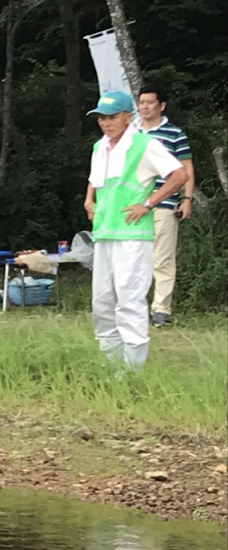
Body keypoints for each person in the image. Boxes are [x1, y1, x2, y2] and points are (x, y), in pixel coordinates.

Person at [83, 90, 186, 368]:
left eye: (112, 117)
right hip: (104, 232)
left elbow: (179, 174)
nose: (106, 123)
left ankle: (133, 369)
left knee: (129, 300)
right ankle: (111, 365)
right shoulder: (99, 147)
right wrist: (89, 200)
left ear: (128, 117)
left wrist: (149, 203)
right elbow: (96, 179)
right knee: (102, 303)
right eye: (101, 117)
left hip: (132, 234)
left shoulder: (144, 145)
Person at [135, 86, 195, 327]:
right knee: (136, 258)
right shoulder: (131, 133)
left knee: (162, 258)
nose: (145, 106)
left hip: (165, 202)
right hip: (134, 203)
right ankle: (135, 306)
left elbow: (186, 169)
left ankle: (161, 309)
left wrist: (187, 199)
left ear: (161, 106)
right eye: (141, 102)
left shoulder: (174, 134)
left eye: (150, 102)